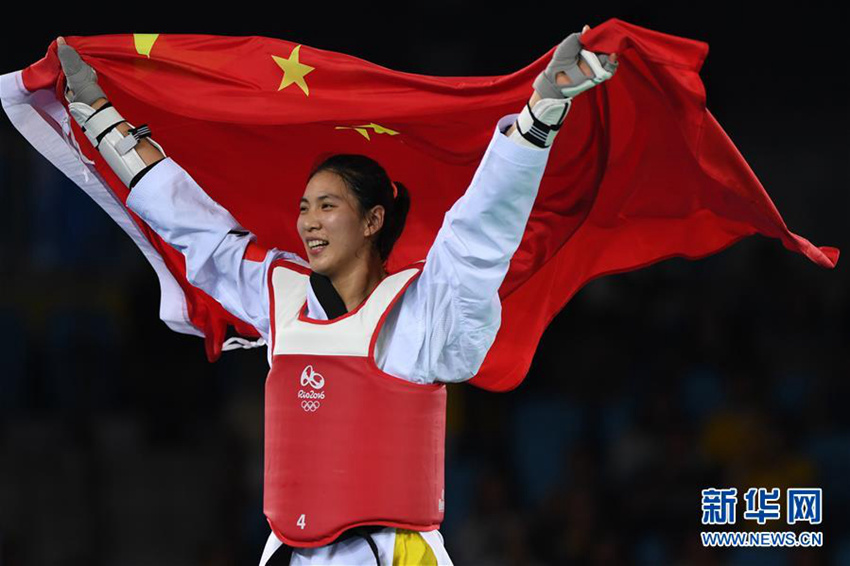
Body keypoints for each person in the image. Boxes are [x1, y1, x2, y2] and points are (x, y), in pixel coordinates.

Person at [56, 27, 617, 565]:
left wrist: (541, 112)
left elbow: (480, 233)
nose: (308, 223)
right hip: (289, 554)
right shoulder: (279, 294)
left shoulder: (420, 314)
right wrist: (101, 119)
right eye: (303, 207)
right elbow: (194, 227)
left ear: (373, 220)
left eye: (328, 206)